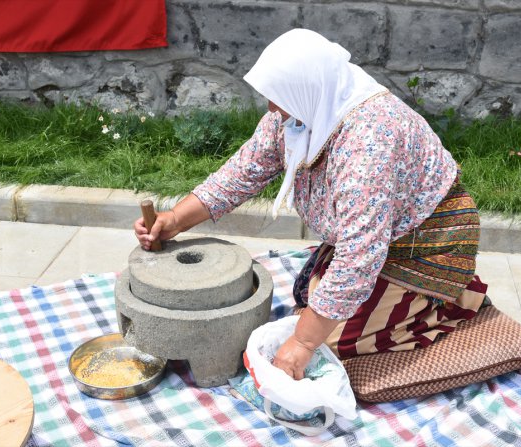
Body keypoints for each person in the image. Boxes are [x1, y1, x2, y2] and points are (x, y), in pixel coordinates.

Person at [134, 29, 488, 380]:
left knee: (330, 341)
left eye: (278, 97)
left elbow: (361, 252)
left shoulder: (369, 140)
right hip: (377, 236)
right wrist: (176, 220)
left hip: (425, 244)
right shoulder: (303, 111)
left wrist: (303, 344)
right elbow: (244, 172)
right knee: (310, 302)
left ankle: (446, 301)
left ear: (307, 87)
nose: (272, 108)